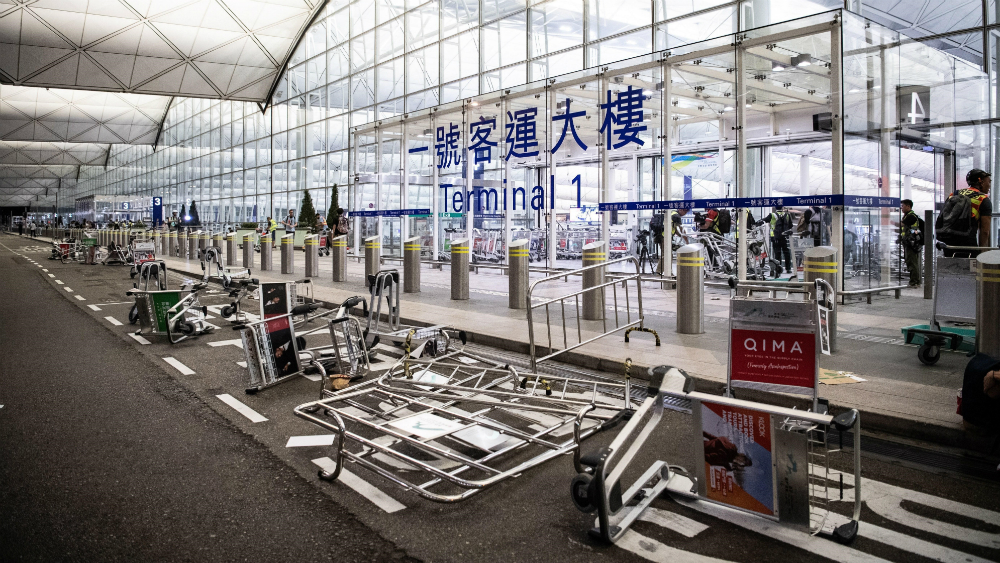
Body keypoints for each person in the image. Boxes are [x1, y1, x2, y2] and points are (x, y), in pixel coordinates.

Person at [937, 169, 992, 257]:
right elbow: (985, 231)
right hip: (968, 245)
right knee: (969, 266)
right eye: (988, 182)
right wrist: (982, 254)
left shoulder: (954, 194)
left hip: (949, 243)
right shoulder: (982, 199)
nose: (989, 185)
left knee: (950, 265)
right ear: (981, 182)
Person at [894, 199, 923, 287]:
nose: (901, 208)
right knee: (910, 261)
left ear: (908, 206)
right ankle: (915, 281)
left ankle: (914, 282)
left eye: (903, 206)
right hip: (908, 243)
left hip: (912, 244)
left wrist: (889, 222)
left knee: (912, 262)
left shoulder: (911, 216)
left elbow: (901, 225)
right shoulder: (907, 216)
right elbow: (904, 229)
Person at [759, 205, 793, 274]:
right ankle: (788, 268)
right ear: (782, 208)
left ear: (775, 208)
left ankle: (778, 268)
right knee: (786, 252)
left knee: (777, 253)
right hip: (784, 236)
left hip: (775, 237)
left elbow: (763, 220)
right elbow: (790, 225)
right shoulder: (787, 215)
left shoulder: (772, 215)